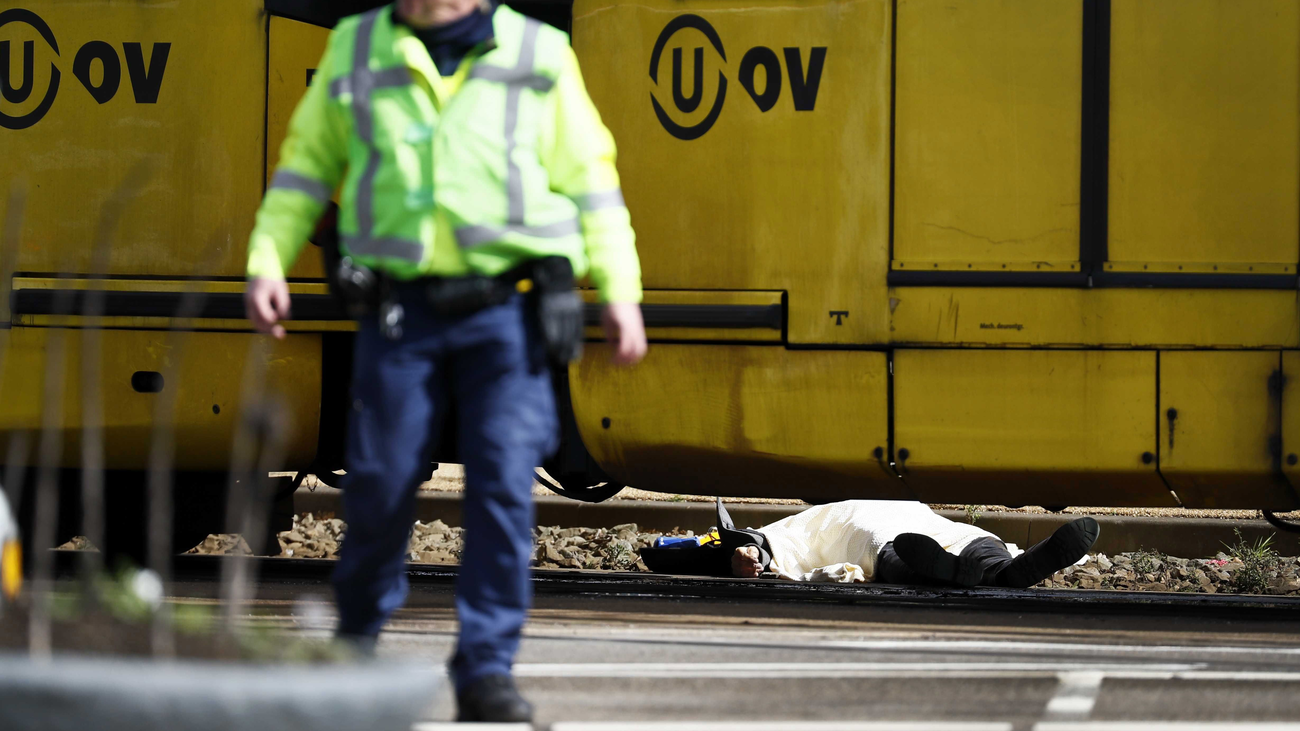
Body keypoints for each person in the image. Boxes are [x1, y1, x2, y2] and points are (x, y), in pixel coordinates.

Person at [243, 0, 646, 722]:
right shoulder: (356, 49)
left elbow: (592, 179)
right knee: (381, 484)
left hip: (507, 312)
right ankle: (356, 645)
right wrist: (268, 257)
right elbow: (306, 166)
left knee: (501, 489)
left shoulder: (538, 52)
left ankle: (486, 671)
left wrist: (620, 290)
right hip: (402, 313)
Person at [645, 499, 1098, 589]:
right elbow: (768, 544)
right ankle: (1005, 571)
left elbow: (776, 543)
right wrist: (750, 556)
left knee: (896, 553)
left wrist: (753, 552)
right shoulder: (800, 520)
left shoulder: (814, 516)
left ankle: (990, 573)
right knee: (975, 543)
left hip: (902, 534)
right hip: (906, 532)